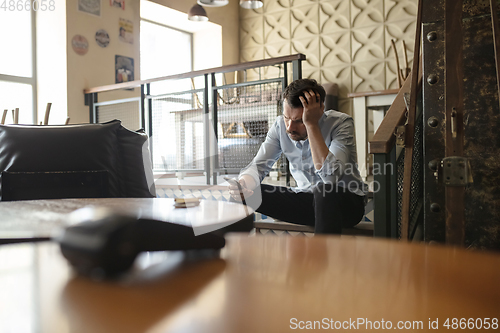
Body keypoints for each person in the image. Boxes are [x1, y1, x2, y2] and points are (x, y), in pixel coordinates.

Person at [228, 79, 367, 234]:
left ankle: (321, 257)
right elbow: (257, 167)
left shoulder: (341, 124)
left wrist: (311, 125)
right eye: (287, 118)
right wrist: (244, 184)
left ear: (320, 110)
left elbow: (330, 178)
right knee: (241, 195)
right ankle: (232, 254)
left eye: (299, 121)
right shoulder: (280, 126)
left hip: (346, 205)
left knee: (324, 190)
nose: (290, 127)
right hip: (306, 200)